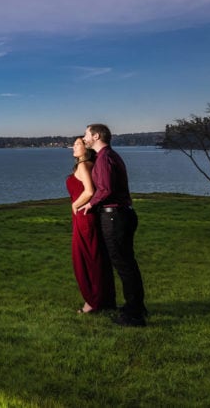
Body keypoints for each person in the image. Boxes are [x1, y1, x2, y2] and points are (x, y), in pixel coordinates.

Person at [78, 123, 147, 326]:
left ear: (96, 136)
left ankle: (134, 315)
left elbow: (106, 189)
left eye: (86, 134)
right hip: (120, 215)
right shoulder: (108, 156)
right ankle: (135, 307)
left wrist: (90, 204)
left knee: (124, 265)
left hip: (114, 217)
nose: (84, 138)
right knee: (127, 264)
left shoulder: (105, 158)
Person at [66, 137, 116, 314]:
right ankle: (104, 301)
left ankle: (92, 303)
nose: (74, 146)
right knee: (96, 257)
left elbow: (89, 191)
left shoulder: (83, 165)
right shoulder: (90, 165)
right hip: (88, 215)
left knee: (86, 259)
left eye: (78, 143)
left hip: (84, 216)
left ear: (86, 148)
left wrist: (75, 205)